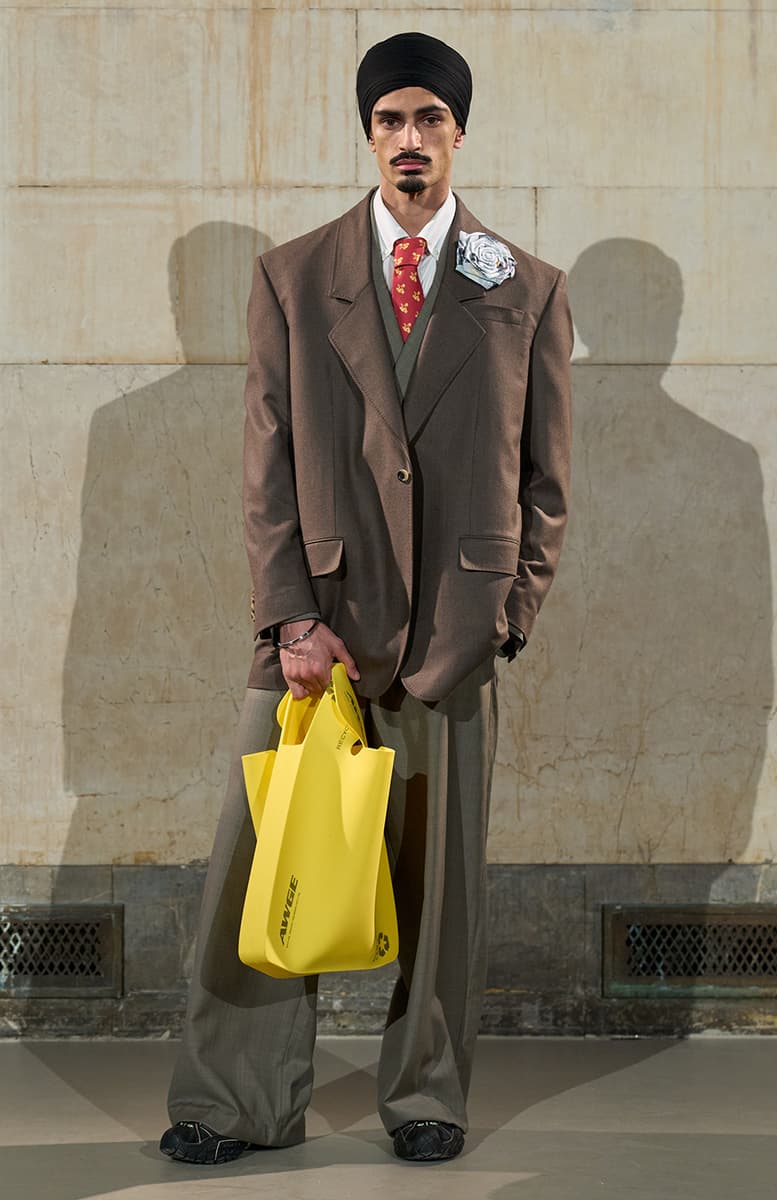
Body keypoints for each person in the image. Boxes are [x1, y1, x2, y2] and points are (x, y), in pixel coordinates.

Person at [160, 30, 572, 1166]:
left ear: (457, 133)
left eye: (428, 120)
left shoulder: (524, 288)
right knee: (264, 865)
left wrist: (506, 619)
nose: (408, 140)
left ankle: (424, 1096)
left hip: (451, 634)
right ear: (366, 132)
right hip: (317, 634)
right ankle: (231, 1100)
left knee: (439, 895)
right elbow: (267, 458)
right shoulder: (293, 278)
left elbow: (546, 480)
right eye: (389, 119)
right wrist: (290, 617)